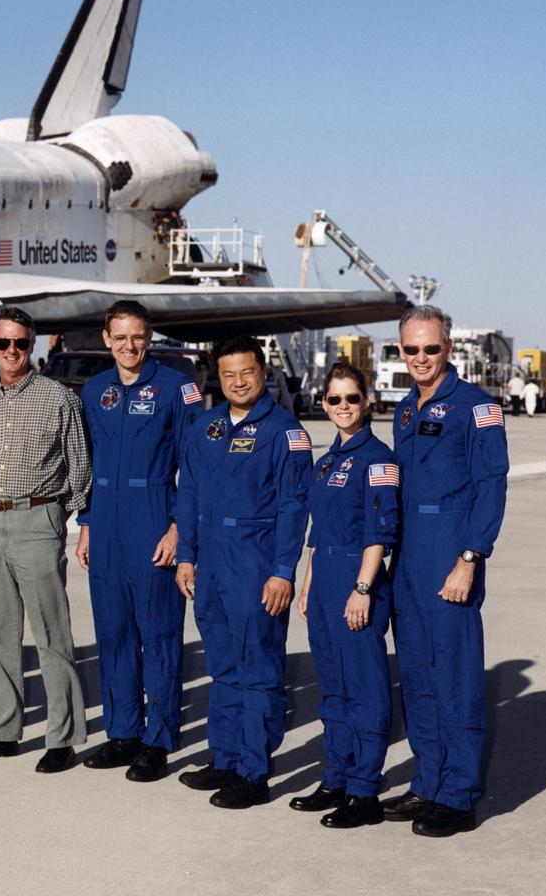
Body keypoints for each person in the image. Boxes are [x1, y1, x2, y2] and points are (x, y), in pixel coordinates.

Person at [383, 306, 507, 837]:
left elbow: (491, 486)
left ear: (448, 348)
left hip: (450, 553)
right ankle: (428, 781)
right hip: (408, 557)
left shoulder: (477, 407)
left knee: (454, 675)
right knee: (416, 675)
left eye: (431, 348)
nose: (421, 358)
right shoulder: (403, 410)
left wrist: (470, 558)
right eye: (411, 349)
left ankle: (458, 795)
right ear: (401, 349)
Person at [175, 335, 312, 809]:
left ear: (264, 372)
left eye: (247, 372)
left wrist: (282, 571)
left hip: (255, 565)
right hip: (210, 564)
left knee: (258, 668)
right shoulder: (206, 426)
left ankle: (254, 771)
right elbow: (189, 492)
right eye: (228, 374)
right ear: (217, 376)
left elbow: (295, 505)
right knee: (222, 666)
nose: (238, 382)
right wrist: (186, 555)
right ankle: (225, 757)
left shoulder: (284, 431)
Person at [0, 306, 91, 774]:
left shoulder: (59, 399)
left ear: (32, 346)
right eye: (3, 343)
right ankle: (2, 731)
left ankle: (63, 737)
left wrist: (55, 516)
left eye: (20, 343)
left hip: (38, 520)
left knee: (51, 633)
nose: (11, 351)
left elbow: (79, 468)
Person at [74, 301, 201, 782]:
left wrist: (178, 529)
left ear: (149, 338)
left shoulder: (176, 389)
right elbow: (90, 463)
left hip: (153, 520)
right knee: (113, 633)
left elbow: (195, 467)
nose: (129, 346)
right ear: (106, 339)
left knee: (159, 635)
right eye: (120, 337)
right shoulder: (94, 390)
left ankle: (158, 740)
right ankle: (123, 731)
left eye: (138, 337)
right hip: (106, 525)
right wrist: (87, 524)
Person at [292, 363, 399, 828]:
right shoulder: (325, 462)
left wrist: (363, 588)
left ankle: (364, 790)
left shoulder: (378, 460)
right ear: (324, 404)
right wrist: (308, 584)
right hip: (325, 583)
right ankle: (335, 777)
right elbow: (317, 533)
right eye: (334, 399)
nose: (343, 407)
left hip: (359, 578)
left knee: (364, 688)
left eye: (351, 398)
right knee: (333, 688)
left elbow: (380, 533)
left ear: (366, 402)